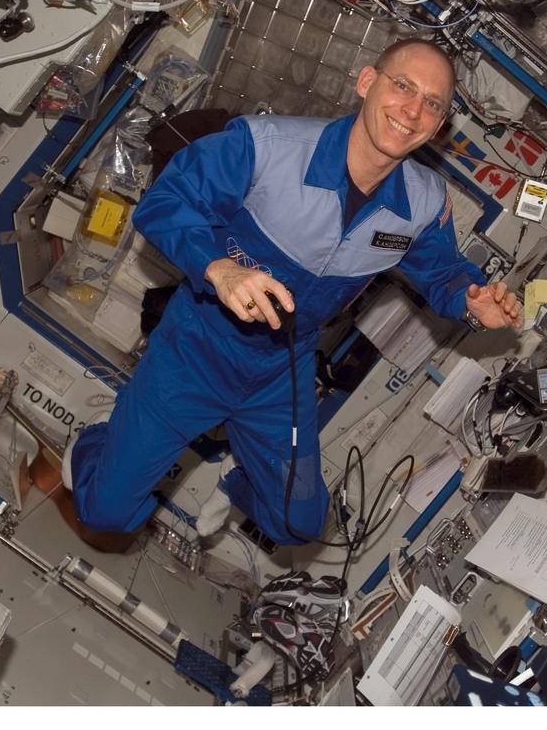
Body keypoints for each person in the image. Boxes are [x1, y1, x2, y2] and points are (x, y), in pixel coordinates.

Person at [64, 38, 522, 544]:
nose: (413, 111)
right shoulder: (265, 146)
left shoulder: (424, 202)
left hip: (281, 370)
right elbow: (164, 201)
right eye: (402, 86)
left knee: (298, 523)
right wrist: (218, 267)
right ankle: (99, 440)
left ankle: (238, 483)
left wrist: (469, 299)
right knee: (103, 512)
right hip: (196, 349)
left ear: (438, 126)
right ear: (367, 83)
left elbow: (442, 272)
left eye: (432, 104)